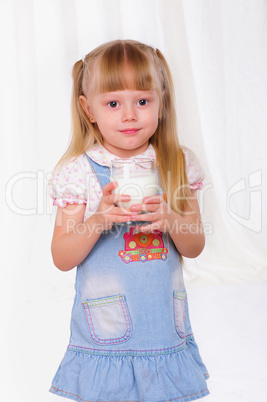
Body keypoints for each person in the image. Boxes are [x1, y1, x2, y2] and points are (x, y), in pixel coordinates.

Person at [49, 39, 209, 402]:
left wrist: (171, 218)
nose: (129, 115)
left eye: (142, 101)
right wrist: (98, 220)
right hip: (108, 333)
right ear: (88, 110)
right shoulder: (80, 171)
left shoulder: (177, 163)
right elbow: (61, 257)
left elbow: (195, 245)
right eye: (113, 103)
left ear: (161, 101)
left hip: (163, 326)